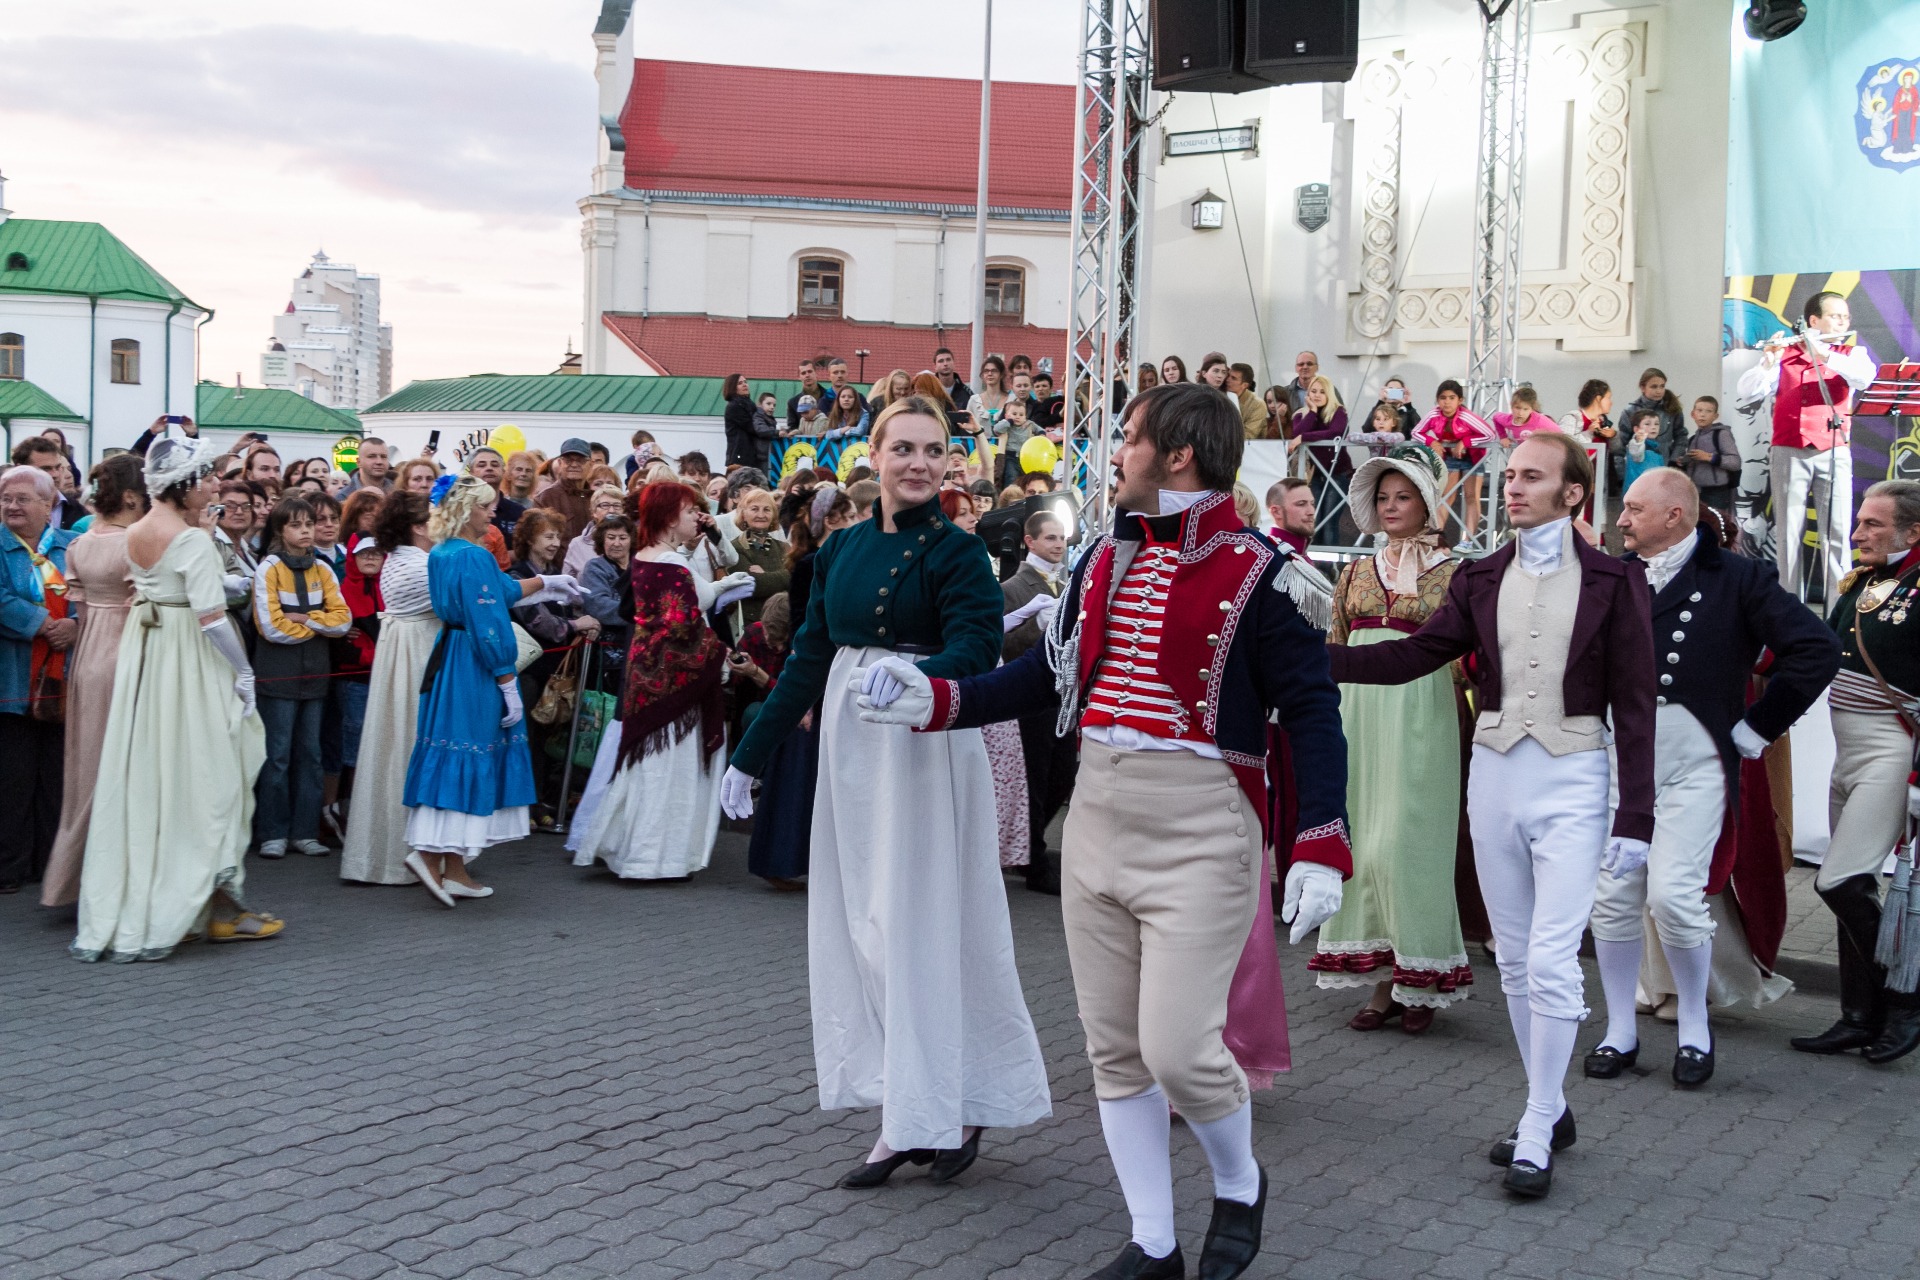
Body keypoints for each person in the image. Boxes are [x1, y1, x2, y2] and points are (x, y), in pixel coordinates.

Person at [854, 383, 1351, 1278]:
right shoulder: (1096, 561)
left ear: (1178, 455)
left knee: (1180, 1049)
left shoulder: (1266, 572)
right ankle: (1152, 1240)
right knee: (1114, 1051)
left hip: (1202, 824)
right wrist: (937, 698)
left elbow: (1314, 713)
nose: (1115, 454)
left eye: (1128, 439)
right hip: (1096, 817)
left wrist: (1321, 838)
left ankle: (1238, 1183)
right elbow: (1044, 684)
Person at [720, 394, 1051, 1190]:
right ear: (872, 454)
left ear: (949, 461)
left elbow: (975, 648)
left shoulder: (959, 553)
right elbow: (806, 656)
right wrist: (750, 755)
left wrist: (918, 673)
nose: (917, 464)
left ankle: (942, 1110)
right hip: (851, 747)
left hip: (925, 746)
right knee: (863, 928)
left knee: (924, 930)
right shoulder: (839, 551)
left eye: (932, 451)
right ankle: (911, 1104)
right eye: (902, 448)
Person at [1327, 432, 1654, 1199]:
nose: (1512, 488)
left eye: (1531, 478)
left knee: (1547, 958)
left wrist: (1635, 814)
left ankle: (1540, 1116)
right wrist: (1309, 658)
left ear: (1573, 493)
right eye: (1509, 477)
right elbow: (1412, 656)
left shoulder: (1615, 580)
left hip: (1575, 774)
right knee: (1511, 958)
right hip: (1495, 775)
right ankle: (1552, 1102)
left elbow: (1636, 704)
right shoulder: (1480, 576)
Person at [1587, 469, 1838, 1085]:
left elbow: (1816, 650)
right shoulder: (1610, 575)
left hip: (1696, 760)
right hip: (1620, 756)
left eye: (1635, 510)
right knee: (1611, 899)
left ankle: (1695, 1026)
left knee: (1673, 896)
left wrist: (1757, 729)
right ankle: (1620, 1030)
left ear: (1676, 515)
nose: (1621, 520)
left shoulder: (1738, 577)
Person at [73, 437, 280, 959]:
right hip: (187, 658)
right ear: (184, 485)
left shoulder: (138, 529)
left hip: (153, 652)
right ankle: (203, 904)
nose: (215, 485)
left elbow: (167, 588)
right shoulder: (187, 539)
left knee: (158, 776)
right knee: (207, 776)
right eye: (207, 478)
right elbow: (211, 619)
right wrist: (243, 671)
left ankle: (198, 903)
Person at [1311, 445, 1472, 1034]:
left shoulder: (1458, 574)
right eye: (1383, 497)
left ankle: (1419, 982)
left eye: (1403, 496)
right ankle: (1380, 978)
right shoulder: (1352, 572)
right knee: (1366, 842)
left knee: (1410, 846)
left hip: (1422, 709)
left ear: (1427, 502)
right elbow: (1333, 643)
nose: (1391, 506)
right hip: (1360, 712)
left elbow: (1467, 657)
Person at [401, 476, 582, 908]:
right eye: (486, 507)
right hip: (474, 667)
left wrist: (547, 583)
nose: (492, 514)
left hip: (452, 659)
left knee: (453, 752)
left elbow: (498, 591)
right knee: (469, 750)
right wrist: (506, 680)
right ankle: (428, 855)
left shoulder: (445, 552)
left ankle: (455, 867)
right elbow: (489, 622)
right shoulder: (473, 556)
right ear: (467, 510)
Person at [1793, 480, 1920, 1064]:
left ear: (1912, 532)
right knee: (1856, 886)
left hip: (1893, 753)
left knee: (1838, 880)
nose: (1859, 532)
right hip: (1849, 749)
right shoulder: (1863, 583)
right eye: (1861, 521)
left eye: (1873, 524)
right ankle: (1858, 1014)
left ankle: (1905, 1005)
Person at [572, 484, 734, 881]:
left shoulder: (644, 558)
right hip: (673, 682)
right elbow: (682, 628)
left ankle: (636, 852)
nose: (696, 516)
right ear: (667, 516)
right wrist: (722, 654)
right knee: (669, 770)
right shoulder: (671, 564)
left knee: (648, 767)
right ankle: (656, 859)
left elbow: (650, 617)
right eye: (688, 510)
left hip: (645, 672)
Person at [43, 456, 146, 906]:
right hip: (126, 653)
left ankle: (71, 880)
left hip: (87, 656)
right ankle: (114, 883)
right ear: (131, 496)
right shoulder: (134, 544)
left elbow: (79, 605)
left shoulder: (80, 543)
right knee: (124, 767)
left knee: (87, 768)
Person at [1737, 291, 1875, 603]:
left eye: (1845, 317)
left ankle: (1838, 607)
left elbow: (1865, 379)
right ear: (1814, 321)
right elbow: (1747, 392)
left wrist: (1826, 356)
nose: (1843, 321)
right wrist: (1768, 362)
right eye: (1835, 316)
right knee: (1788, 531)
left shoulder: (1851, 354)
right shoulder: (1787, 352)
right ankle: (1790, 607)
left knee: (1837, 532)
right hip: (1788, 449)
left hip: (1834, 449)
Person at [341, 492, 440, 887]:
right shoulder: (417, 563)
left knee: (396, 745)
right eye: (432, 518)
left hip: (406, 654)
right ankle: (405, 851)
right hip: (414, 657)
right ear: (417, 527)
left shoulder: (402, 558)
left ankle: (400, 849)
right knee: (406, 744)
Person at [250, 496, 352, 860]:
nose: (306, 530)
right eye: (297, 524)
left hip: (315, 678)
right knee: (277, 756)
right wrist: (319, 622)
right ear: (280, 530)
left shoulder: (323, 569)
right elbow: (271, 627)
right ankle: (272, 832)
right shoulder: (269, 568)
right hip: (277, 678)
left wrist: (305, 619)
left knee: (310, 755)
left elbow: (343, 621)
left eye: (309, 524)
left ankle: (304, 831)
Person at [0, 466, 76, 895]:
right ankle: (8, 867)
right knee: (12, 777)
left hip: (62, 680)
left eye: (23, 498)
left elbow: (94, 594)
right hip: (12, 678)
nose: (12, 506)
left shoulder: (71, 547)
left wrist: (78, 626)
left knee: (55, 776)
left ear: (49, 506)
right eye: (6, 498)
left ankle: (51, 864)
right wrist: (43, 623)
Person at [509, 509, 601, 831]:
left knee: (549, 741)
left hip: (553, 670)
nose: (555, 542)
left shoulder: (554, 571)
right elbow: (538, 621)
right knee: (529, 740)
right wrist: (577, 624)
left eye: (557, 536)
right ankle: (525, 807)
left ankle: (540, 803)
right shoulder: (518, 573)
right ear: (529, 538)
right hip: (528, 671)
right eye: (548, 536)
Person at [998, 509, 1071, 896]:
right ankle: (1035, 861)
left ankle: (1027, 845)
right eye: (1050, 538)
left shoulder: (1069, 583)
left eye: (1061, 538)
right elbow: (1002, 644)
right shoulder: (1012, 587)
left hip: (1064, 695)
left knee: (1064, 776)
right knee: (1037, 778)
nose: (1058, 544)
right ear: (1030, 542)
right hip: (1030, 696)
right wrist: (1035, 628)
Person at [729, 488, 789, 628]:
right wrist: (785, 574)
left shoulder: (784, 547)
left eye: (767, 510)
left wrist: (766, 575)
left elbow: (799, 579)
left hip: (785, 622)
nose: (761, 515)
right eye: (754, 509)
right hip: (753, 625)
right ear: (743, 514)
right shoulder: (735, 548)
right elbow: (754, 585)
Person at [1680, 396, 1741, 520]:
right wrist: (1684, 462)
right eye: (1700, 410)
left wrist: (1708, 457)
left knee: (1716, 530)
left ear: (1715, 416)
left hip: (1717, 494)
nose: (1703, 415)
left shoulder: (1721, 434)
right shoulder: (1692, 438)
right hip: (1695, 492)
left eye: (1708, 411)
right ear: (1693, 414)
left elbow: (1735, 462)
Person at [533, 438, 595, 540]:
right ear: (560, 463)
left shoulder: (596, 498)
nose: (574, 465)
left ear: (591, 464)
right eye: (568, 460)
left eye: (580, 460)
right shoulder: (546, 498)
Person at [562, 485, 627, 577]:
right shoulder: (577, 544)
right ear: (593, 512)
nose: (612, 510)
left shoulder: (632, 541)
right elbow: (566, 582)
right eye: (605, 505)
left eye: (617, 505)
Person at [1264, 477, 1317, 552]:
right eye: (1301, 504)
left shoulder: (1299, 551)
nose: (1311, 512)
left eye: (1312, 504)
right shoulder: (1270, 556)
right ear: (1276, 512)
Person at [1623, 409, 1667, 489]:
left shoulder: (1657, 448)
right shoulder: (1635, 445)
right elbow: (1636, 453)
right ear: (1636, 429)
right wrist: (1638, 440)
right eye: (1647, 424)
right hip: (1637, 493)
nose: (1653, 427)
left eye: (1656, 424)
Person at [1225, 363, 1269, 440]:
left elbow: (1249, 435)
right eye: (1228, 375)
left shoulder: (1257, 404)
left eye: (1233, 378)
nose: (1227, 380)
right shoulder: (1222, 396)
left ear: (1245, 385)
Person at [788, 359, 831, 432]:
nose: (807, 375)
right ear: (799, 377)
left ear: (816, 373)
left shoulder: (830, 397)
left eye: (810, 371)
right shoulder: (793, 403)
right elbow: (792, 428)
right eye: (803, 373)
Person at [932, 346, 972, 411]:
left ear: (954, 363)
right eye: (941, 361)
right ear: (935, 366)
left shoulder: (967, 393)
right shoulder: (929, 393)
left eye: (948, 360)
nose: (945, 364)